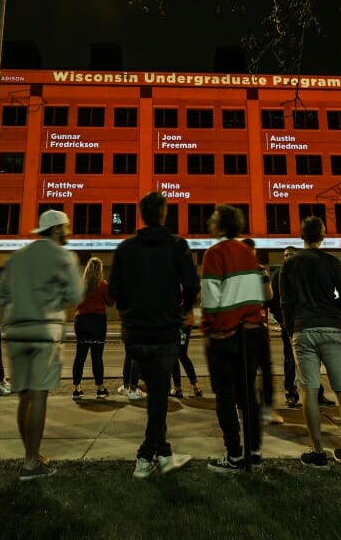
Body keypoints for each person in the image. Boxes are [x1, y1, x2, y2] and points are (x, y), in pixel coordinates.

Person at [110, 191, 200, 478]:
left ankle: (160, 453)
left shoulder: (125, 249)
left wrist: (128, 313)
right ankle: (147, 455)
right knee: (159, 395)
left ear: (141, 215)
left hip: (136, 332)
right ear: (163, 214)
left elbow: (114, 291)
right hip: (164, 331)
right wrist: (184, 309)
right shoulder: (177, 246)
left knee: (157, 395)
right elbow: (192, 285)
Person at [0, 209, 84, 481]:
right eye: (68, 227)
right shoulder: (64, 257)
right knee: (38, 396)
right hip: (44, 329)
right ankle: (30, 463)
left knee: (23, 397)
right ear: (57, 229)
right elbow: (75, 295)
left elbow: (2, 293)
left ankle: (31, 457)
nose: (70, 232)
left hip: (16, 330)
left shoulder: (17, 257)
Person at [280, 217, 341, 468]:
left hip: (304, 329)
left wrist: (292, 327)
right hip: (332, 327)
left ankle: (317, 450)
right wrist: (331, 309)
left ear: (301, 236)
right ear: (322, 235)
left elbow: (285, 304)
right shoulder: (332, 262)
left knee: (309, 391)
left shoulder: (290, 266)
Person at [201, 204, 266, 473]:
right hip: (250, 333)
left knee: (224, 396)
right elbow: (255, 296)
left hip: (224, 336)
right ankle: (254, 450)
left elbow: (211, 296)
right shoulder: (247, 253)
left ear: (220, 224)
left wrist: (209, 327)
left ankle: (234, 455)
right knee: (247, 393)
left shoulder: (214, 253)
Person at [270, 246, 335, 409]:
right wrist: (283, 321)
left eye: (291, 255)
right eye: (286, 255)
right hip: (289, 325)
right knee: (290, 361)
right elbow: (274, 302)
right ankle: (291, 394)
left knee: (312, 360)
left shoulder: (302, 274)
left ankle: (318, 394)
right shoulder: (278, 275)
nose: (288, 258)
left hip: (305, 323)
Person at [241, 237, 282, 425]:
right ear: (253, 252)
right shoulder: (260, 271)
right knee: (265, 368)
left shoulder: (234, 272)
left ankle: (244, 408)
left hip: (239, 327)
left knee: (244, 370)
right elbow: (269, 295)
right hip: (258, 325)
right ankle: (267, 408)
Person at [72, 257, 113, 401]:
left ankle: (77, 389)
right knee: (97, 356)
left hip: (81, 321)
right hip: (97, 322)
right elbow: (110, 302)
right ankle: (100, 389)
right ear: (100, 269)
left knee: (80, 356)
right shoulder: (102, 285)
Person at [169, 304, 203, 399]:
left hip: (177, 322)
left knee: (174, 354)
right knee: (182, 354)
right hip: (186, 321)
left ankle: (178, 388)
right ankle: (195, 386)